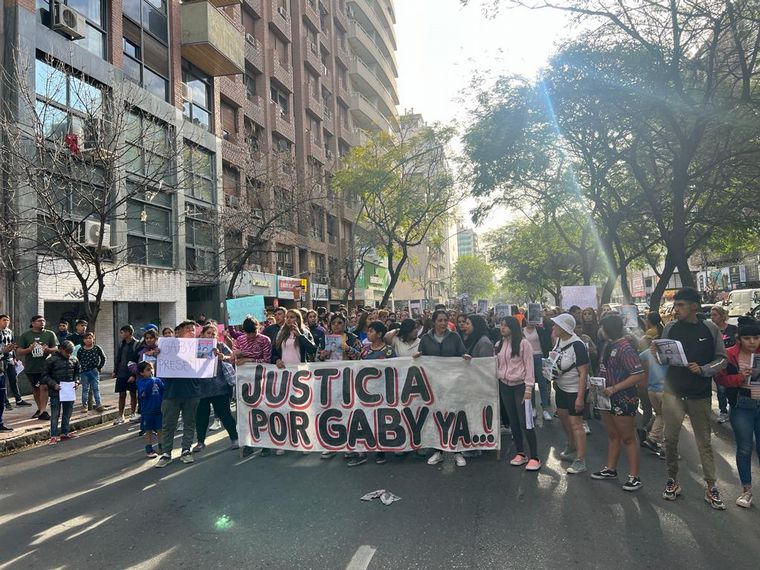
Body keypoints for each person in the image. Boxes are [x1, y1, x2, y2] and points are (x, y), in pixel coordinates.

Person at [655, 287, 727, 509]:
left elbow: (722, 359)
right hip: (673, 393)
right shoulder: (670, 327)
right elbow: (661, 358)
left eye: (680, 305)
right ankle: (672, 480)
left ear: (694, 306)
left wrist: (704, 369)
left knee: (703, 442)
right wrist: (657, 353)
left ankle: (711, 486)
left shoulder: (710, 328)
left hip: (699, 395)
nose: (676, 310)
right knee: (670, 439)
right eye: (675, 306)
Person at [590, 315, 646, 492]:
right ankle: (611, 469)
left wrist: (615, 388)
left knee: (628, 437)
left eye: (603, 327)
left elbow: (638, 374)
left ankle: (634, 476)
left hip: (623, 398)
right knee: (613, 435)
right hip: (605, 397)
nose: (601, 331)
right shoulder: (608, 345)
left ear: (608, 329)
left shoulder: (625, 349)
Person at [415, 309, 471, 467]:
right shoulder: (425, 338)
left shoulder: (454, 336)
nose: (443, 323)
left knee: (455, 415)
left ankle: (457, 451)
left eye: (445, 320)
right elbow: (422, 356)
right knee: (436, 417)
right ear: (434, 322)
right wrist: (417, 358)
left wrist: (465, 356)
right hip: (434, 386)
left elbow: (462, 353)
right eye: (439, 320)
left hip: (453, 384)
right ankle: (438, 451)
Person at [715, 317, 760, 508]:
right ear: (739, 338)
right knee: (744, 448)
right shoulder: (730, 355)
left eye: (756, 338)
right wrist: (740, 377)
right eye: (747, 338)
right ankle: (746, 491)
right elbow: (721, 379)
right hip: (742, 406)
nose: (752, 342)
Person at [348, 321, 397, 467]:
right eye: (368, 331)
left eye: (371, 331)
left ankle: (380, 450)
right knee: (362, 421)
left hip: (381, 393)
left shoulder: (388, 351)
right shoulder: (365, 350)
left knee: (379, 420)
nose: (368, 333)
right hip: (363, 392)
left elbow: (396, 369)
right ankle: (361, 452)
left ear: (380, 334)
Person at [496, 316, 541, 471]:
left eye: (505, 326)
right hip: (505, 386)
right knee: (513, 421)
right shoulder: (498, 344)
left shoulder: (524, 344)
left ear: (513, 327)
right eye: (501, 325)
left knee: (526, 422)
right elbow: (496, 365)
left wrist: (529, 389)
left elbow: (529, 367)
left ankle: (535, 456)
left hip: (521, 387)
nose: (502, 328)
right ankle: (520, 453)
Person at [156, 320, 202, 468]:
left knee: (189, 423)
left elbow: (208, 366)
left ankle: (186, 450)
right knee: (168, 424)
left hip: (192, 392)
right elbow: (157, 369)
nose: (192, 332)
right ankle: (166, 453)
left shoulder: (199, 348)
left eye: (193, 330)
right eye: (188, 329)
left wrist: (213, 356)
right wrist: (157, 356)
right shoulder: (167, 348)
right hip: (171, 392)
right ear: (178, 332)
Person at [548, 313, 590, 475]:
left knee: (576, 424)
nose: (553, 327)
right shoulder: (558, 340)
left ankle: (581, 460)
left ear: (564, 328)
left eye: (556, 325)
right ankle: (571, 444)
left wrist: (580, 397)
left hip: (575, 390)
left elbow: (583, 373)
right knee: (564, 418)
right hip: (561, 388)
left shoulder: (577, 345)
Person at [193, 324, 238, 453]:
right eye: (208, 333)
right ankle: (200, 442)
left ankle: (234, 438)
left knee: (225, 415)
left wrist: (223, 357)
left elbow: (232, 358)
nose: (211, 336)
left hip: (220, 387)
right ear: (202, 335)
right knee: (201, 417)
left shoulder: (220, 346)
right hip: (201, 389)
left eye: (214, 334)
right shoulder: (193, 348)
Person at [16, 315, 59, 421]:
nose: (42, 322)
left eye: (43, 321)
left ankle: (43, 411)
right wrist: (29, 349)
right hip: (32, 368)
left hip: (46, 367)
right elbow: (19, 351)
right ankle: (40, 409)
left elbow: (56, 348)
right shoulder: (26, 335)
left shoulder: (50, 334)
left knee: (44, 387)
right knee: (36, 389)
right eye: (39, 321)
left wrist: (48, 350)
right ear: (33, 323)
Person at [44, 341, 80, 445]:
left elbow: (77, 372)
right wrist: (53, 384)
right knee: (55, 414)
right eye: (67, 352)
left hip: (69, 390)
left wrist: (77, 381)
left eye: (70, 352)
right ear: (61, 349)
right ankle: (53, 436)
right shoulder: (51, 360)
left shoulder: (74, 359)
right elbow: (45, 376)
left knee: (67, 413)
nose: (69, 354)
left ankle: (65, 432)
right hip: (56, 391)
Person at [639, 334, 668, 458]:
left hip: (651, 389)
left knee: (661, 415)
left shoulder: (644, 354)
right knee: (669, 419)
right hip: (664, 390)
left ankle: (652, 438)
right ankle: (665, 448)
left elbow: (641, 366)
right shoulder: (667, 354)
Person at [711, 305, 738, 424]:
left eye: (714, 315)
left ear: (722, 316)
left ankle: (735, 410)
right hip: (718, 365)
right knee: (721, 390)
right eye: (711, 315)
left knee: (733, 388)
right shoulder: (711, 330)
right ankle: (723, 411)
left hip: (732, 364)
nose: (712, 318)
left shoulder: (733, 329)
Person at [523, 318, 553, 421]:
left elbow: (548, 338)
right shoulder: (522, 331)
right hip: (527, 358)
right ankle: (533, 408)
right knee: (530, 384)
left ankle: (545, 409)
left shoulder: (540, 329)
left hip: (539, 357)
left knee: (542, 383)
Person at [1, 314, 30, 409]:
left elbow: (12, 345)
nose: (6, 322)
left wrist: (14, 357)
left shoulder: (9, 332)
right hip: (1, 359)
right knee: (3, 382)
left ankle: (18, 399)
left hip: (10, 359)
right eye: (4, 320)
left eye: (7, 320)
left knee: (13, 379)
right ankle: (6, 402)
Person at [136, 361, 164, 458]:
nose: (151, 371)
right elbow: (144, 394)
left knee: (160, 429)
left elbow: (162, 392)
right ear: (142, 373)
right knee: (148, 430)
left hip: (158, 409)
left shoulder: (158, 380)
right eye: (148, 370)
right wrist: (151, 382)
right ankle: (149, 449)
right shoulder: (141, 383)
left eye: (152, 369)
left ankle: (162, 447)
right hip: (147, 410)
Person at [113, 325, 139, 425]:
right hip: (121, 372)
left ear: (128, 332)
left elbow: (137, 360)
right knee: (121, 394)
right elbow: (118, 358)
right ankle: (121, 415)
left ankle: (133, 413)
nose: (121, 335)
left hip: (132, 373)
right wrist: (115, 370)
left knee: (133, 393)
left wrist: (134, 374)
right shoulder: (121, 344)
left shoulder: (136, 344)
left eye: (122, 332)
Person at [76, 332, 106, 413]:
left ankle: (99, 404)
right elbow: (77, 361)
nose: (88, 340)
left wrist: (99, 367)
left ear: (93, 339)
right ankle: (84, 406)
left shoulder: (97, 348)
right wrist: (79, 371)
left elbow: (103, 358)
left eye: (90, 338)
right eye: (86, 338)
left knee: (96, 388)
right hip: (84, 372)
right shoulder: (81, 350)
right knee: (85, 389)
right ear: (83, 340)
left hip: (94, 371)